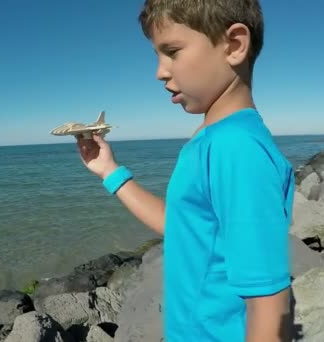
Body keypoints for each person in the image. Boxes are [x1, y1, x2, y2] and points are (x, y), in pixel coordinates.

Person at [75, 0, 295, 341]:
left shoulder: (235, 149)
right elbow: (182, 226)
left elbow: (269, 301)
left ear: (234, 44)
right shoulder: (212, 139)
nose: (159, 71)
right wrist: (110, 171)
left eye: (172, 51)